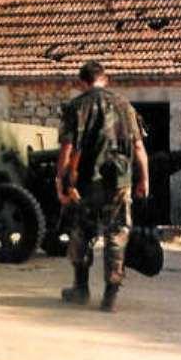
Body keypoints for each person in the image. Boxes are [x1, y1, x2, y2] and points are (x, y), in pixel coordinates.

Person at [55, 60, 150, 312]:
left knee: (81, 232)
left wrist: (60, 183)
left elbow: (67, 149)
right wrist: (144, 179)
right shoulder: (124, 106)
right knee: (117, 234)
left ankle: (80, 288)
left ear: (82, 82)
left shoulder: (76, 107)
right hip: (119, 181)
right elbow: (139, 147)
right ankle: (110, 295)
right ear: (104, 79)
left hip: (85, 184)